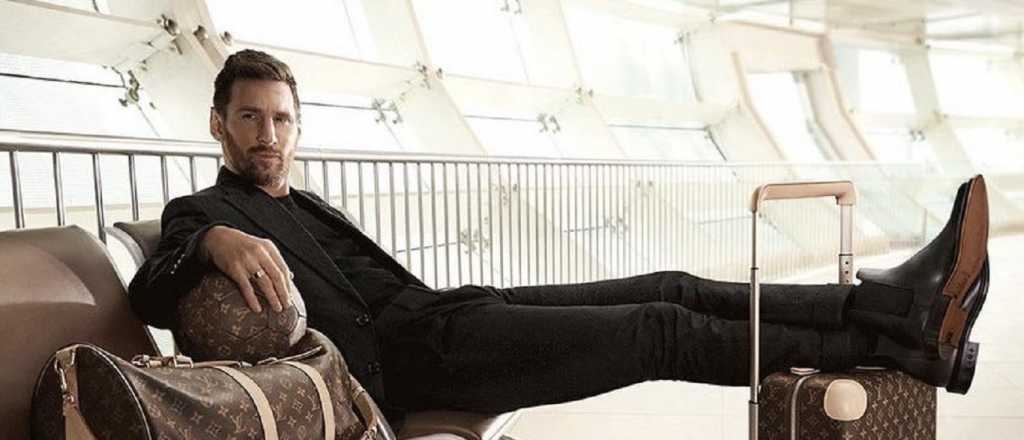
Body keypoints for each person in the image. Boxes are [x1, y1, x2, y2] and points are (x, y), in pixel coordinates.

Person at [129, 50, 991, 426]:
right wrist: (212, 243)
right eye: (251, 118)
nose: (268, 134)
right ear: (218, 124)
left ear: (297, 127)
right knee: (661, 330)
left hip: (450, 312)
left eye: (281, 118)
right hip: (414, 360)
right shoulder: (202, 211)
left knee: (673, 282)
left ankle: (895, 313)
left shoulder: (304, 200)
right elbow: (151, 287)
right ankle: (906, 338)